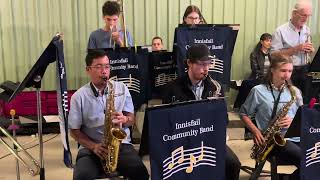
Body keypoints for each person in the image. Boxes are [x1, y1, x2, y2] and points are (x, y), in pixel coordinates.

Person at [162, 44, 241, 180]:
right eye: (201, 64)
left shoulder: (216, 87)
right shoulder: (172, 88)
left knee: (233, 164)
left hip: (208, 140)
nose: (206, 69)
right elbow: (165, 121)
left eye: (208, 64)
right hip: (182, 141)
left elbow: (224, 118)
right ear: (189, 63)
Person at [68, 50, 149, 180]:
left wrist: (125, 119)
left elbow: (131, 120)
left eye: (107, 66)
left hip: (121, 145)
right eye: (99, 67)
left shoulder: (121, 88)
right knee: (81, 176)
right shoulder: (78, 97)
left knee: (141, 172)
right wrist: (93, 146)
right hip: (91, 147)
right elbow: (74, 131)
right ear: (88, 70)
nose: (104, 71)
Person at [240, 54, 303, 179]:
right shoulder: (258, 91)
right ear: (273, 70)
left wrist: (293, 122)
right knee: (306, 160)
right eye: (283, 70)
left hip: (296, 138)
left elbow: (303, 116)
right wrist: (256, 131)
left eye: (290, 71)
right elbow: (243, 113)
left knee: (314, 159)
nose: (287, 75)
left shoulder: (294, 91)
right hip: (272, 142)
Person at [271, 0, 314, 95]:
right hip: (288, 72)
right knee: (290, 100)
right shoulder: (280, 31)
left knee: (305, 100)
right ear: (294, 13)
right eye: (303, 15)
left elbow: (308, 48)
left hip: (305, 70)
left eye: (308, 16)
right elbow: (273, 55)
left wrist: (310, 49)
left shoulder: (307, 29)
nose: (306, 19)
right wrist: (295, 49)